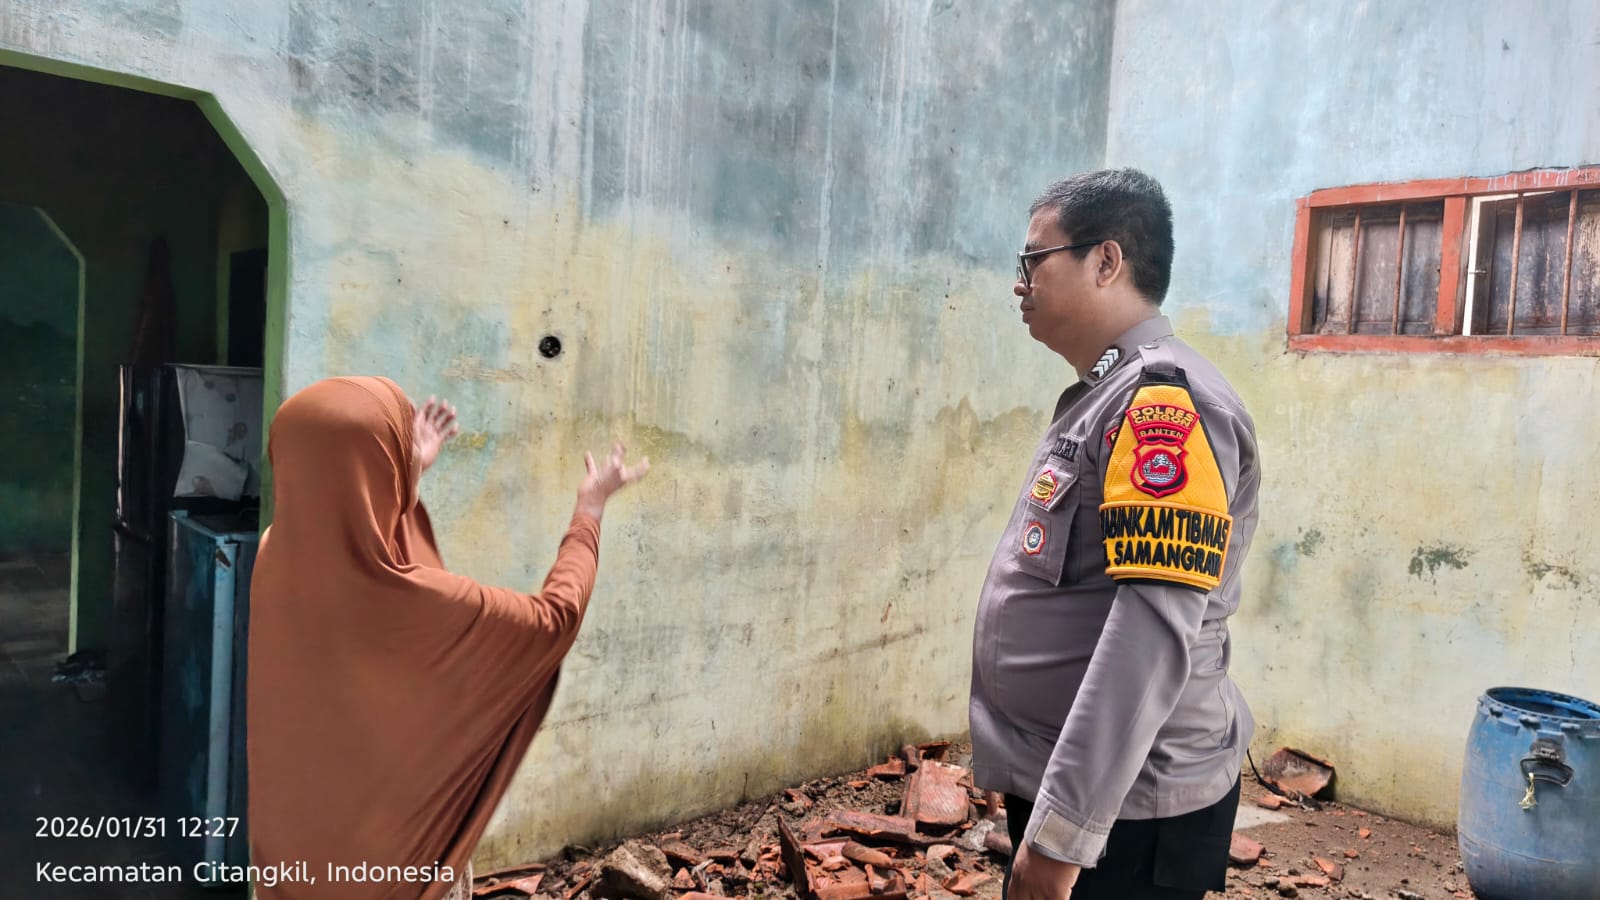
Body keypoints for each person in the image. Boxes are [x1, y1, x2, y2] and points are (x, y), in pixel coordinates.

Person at [969, 169, 1260, 900]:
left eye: (1034, 260)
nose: (1019, 283)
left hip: (1126, 815)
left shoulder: (1163, 403)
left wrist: (1064, 834)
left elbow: (1152, 628)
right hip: (1088, 792)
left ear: (1105, 261)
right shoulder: (1108, 393)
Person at [246, 376, 648, 900]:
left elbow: (355, 521)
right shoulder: (424, 603)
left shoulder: (272, 559)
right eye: (398, 449)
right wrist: (588, 512)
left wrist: (410, 471)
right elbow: (555, 617)